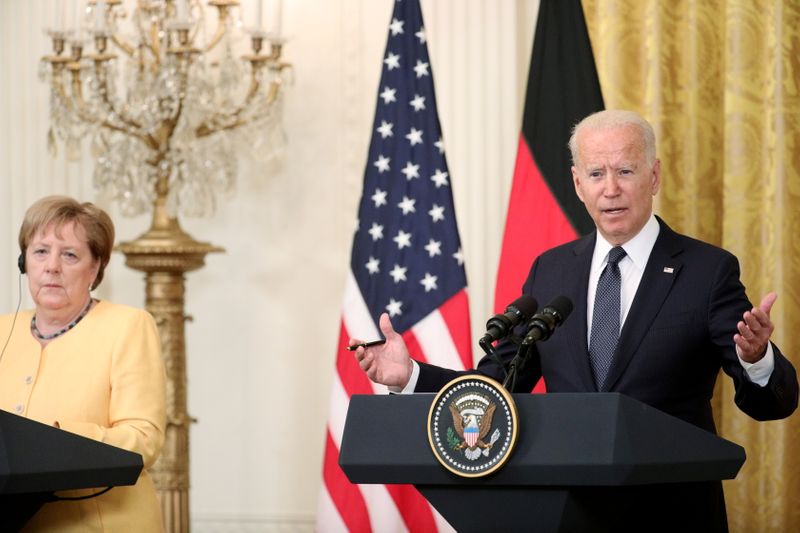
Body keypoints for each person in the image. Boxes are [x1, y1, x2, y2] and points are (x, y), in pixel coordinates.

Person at [352, 110, 798, 529]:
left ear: (654, 176)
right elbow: (496, 389)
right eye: (596, 174)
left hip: (672, 514)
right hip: (566, 514)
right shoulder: (552, 269)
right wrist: (409, 376)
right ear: (577, 183)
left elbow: (772, 404)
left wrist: (756, 358)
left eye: (625, 171)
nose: (611, 189)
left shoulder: (706, 270)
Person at [0, 196, 166, 531]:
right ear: (24, 262)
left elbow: (143, 437)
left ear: (95, 268)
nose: (52, 266)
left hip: (101, 524)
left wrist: (62, 443)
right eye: (41, 251)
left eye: (70, 254)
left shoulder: (128, 325)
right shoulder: (3, 329)